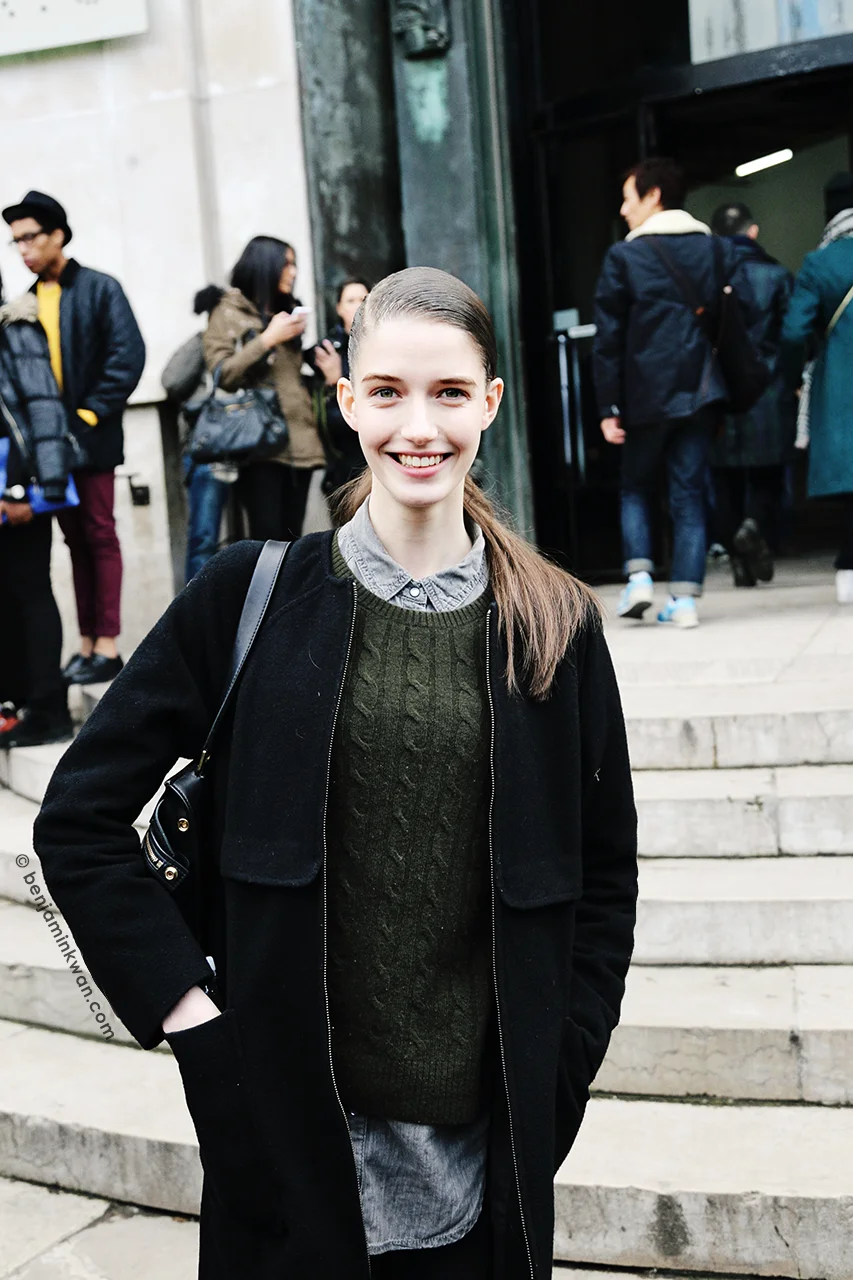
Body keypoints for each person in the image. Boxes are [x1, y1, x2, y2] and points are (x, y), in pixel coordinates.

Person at [33, 267, 638, 1279]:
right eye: (389, 390)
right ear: (346, 398)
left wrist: (561, 1061)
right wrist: (194, 1023)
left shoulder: (556, 624)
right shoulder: (247, 596)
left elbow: (605, 879)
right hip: (281, 1152)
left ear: (489, 403)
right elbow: (77, 821)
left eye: (450, 394)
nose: (420, 425)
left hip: (482, 1177)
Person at [593, 157, 755, 628]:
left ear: (653, 196)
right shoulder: (716, 250)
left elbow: (609, 339)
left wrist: (608, 406)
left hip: (645, 394)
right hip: (703, 389)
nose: (624, 210)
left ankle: (640, 579)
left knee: (635, 487)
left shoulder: (624, 256)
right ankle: (684, 601)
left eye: (629, 199)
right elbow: (737, 316)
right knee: (688, 492)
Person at [2, 190, 145, 685]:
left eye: (30, 237)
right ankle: (85, 645)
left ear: (58, 234)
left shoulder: (102, 288)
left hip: (93, 438)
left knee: (100, 534)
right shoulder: (22, 304)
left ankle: (106, 645)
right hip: (49, 450)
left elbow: (127, 357)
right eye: (15, 240)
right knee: (74, 540)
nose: (22, 249)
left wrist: (87, 415)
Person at [202, 236, 325, 542]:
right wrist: (267, 339)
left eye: (294, 264)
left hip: (301, 439)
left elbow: (289, 376)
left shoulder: (286, 311)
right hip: (258, 442)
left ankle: (289, 592)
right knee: (266, 539)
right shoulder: (228, 312)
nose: (293, 272)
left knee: (293, 537)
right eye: (286, 263)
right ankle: (266, 592)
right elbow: (223, 374)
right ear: (264, 266)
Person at [0, 282, 73, 748]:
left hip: (17, 487)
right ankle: (16, 703)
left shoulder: (16, 330)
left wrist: (35, 490)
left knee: (29, 591)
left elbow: (43, 411)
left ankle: (48, 708)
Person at [709, 201, 796, 586]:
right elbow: (792, 335)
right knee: (768, 472)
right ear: (753, 231)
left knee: (725, 478)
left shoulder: (709, 280)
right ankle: (754, 524)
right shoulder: (777, 276)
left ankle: (740, 565)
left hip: (724, 390)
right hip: (769, 387)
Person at [782, 173, 853, 605]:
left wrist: (796, 376)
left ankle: (849, 566)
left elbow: (793, 333)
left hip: (841, 386)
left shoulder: (820, 263)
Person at [161, 286, 233, 583]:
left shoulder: (247, 343)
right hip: (208, 452)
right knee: (204, 538)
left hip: (247, 453)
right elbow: (172, 381)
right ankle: (197, 614)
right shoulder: (202, 343)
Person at [315, 277, 370, 495]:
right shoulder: (326, 351)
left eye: (364, 299)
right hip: (342, 461)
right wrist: (332, 382)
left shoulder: (385, 344)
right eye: (350, 300)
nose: (358, 305)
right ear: (338, 308)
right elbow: (329, 423)